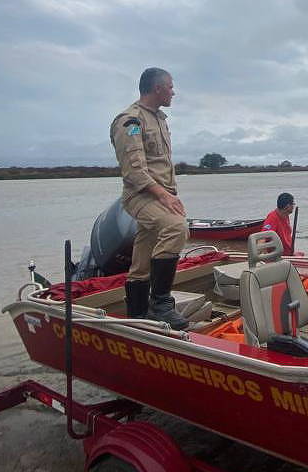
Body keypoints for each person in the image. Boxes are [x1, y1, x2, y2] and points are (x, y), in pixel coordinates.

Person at [110, 67, 189, 329]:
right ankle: (161, 304)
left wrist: (168, 194)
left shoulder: (160, 119)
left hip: (161, 194)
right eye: (170, 87)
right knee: (176, 227)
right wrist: (163, 196)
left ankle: (137, 313)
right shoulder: (130, 121)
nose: (173, 91)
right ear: (157, 88)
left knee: (143, 255)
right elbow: (134, 172)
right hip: (141, 194)